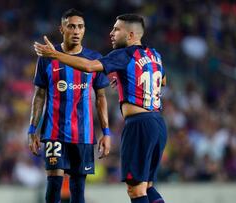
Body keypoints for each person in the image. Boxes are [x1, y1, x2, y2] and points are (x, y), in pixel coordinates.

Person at [34, 14, 167, 203]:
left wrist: (54, 54)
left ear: (130, 35)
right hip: (158, 124)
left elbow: (89, 67)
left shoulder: (124, 54)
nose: (111, 33)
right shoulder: (154, 54)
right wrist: (127, 79)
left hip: (139, 125)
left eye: (116, 29)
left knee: (136, 190)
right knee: (148, 186)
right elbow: (162, 80)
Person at [28, 8, 111, 203]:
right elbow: (39, 95)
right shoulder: (47, 57)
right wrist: (32, 129)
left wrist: (106, 132)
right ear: (61, 29)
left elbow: (101, 97)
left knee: (78, 188)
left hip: (83, 133)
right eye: (71, 26)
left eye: (80, 27)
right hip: (53, 131)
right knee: (54, 183)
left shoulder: (93, 59)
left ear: (84, 30)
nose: (76, 31)